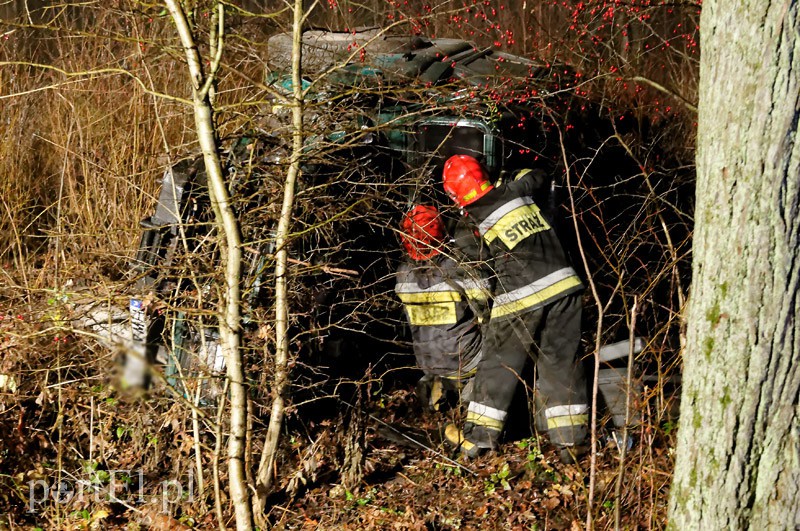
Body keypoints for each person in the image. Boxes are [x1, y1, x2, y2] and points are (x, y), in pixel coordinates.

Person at [440, 155, 589, 463]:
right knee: (560, 364)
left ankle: (476, 440)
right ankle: (570, 442)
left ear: (454, 195)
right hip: (565, 284)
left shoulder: (471, 223)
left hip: (520, 296)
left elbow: (478, 281)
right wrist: (513, 173)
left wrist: (485, 315)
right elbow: (539, 175)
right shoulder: (517, 190)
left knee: (497, 366)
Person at [394, 204, 492, 411]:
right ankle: (473, 393)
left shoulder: (402, 274)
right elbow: (486, 304)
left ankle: (439, 386)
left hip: (427, 362)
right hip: (466, 361)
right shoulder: (458, 267)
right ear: (442, 232)